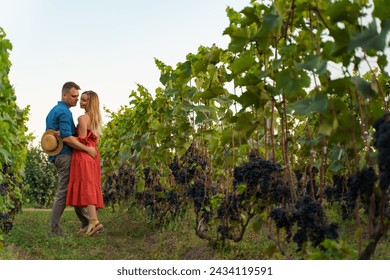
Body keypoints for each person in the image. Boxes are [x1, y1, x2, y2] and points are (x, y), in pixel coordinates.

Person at [45, 81, 97, 236]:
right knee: (64, 191)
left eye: (78, 96)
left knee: (74, 188)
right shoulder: (65, 113)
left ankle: (87, 222)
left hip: (57, 156)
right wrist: (87, 148)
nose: (76, 99)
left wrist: (65, 134)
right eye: (74, 96)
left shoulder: (54, 110)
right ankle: (54, 229)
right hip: (65, 155)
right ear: (64, 94)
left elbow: (64, 134)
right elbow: (68, 139)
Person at [66, 90, 104, 236]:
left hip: (83, 155)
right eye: (81, 99)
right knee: (91, 185)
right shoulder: (96, 118)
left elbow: (81, 140)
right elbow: (95, 140)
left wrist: (66, 137)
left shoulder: (82, 118)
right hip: (94, 155)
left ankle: (93, 221)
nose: (81, 102)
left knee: (86, 187)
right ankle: (91, 222)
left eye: (84, 100)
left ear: (91, 103)